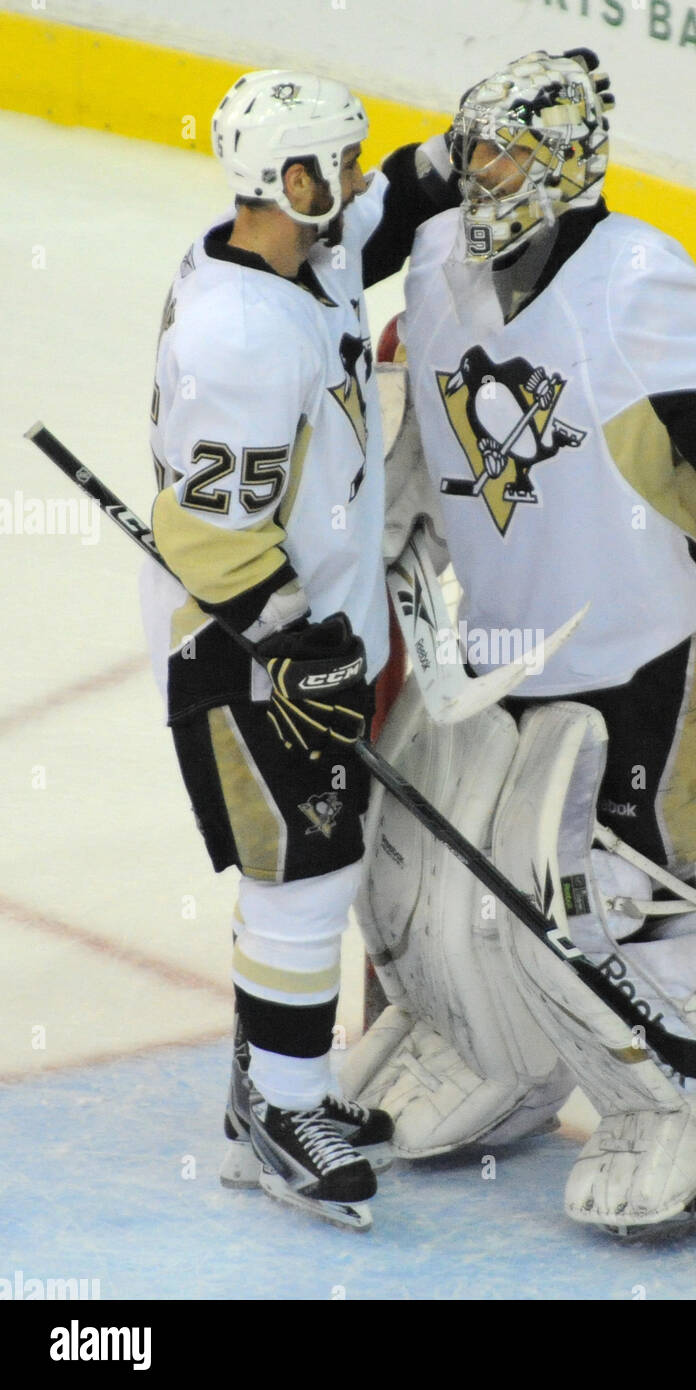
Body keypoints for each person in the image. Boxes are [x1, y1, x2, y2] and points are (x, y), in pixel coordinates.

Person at [344, 50, 696, 1236]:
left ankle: (695, 1118)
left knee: (612, 893)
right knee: (444, 874)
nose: (476, 169)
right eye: (473, 145)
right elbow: (432, 439)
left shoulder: (636, 276)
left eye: (502, 151)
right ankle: (489, 1052)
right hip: (498, 648)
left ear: (560, 167)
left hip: (639, 654)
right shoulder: (447, 261)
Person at [141, 68, 458, 1228]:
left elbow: (377, 223)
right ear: (289, 179)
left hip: (309, 618)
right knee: (306, 868)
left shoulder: (287, 249)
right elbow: (206, 536)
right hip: (242, 635)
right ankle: (282, 1107)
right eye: (343, 162)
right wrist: (296, 641)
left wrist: (461, 150)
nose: (359, 178)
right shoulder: (238, 338)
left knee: (315, 854)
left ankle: (262, 1085)